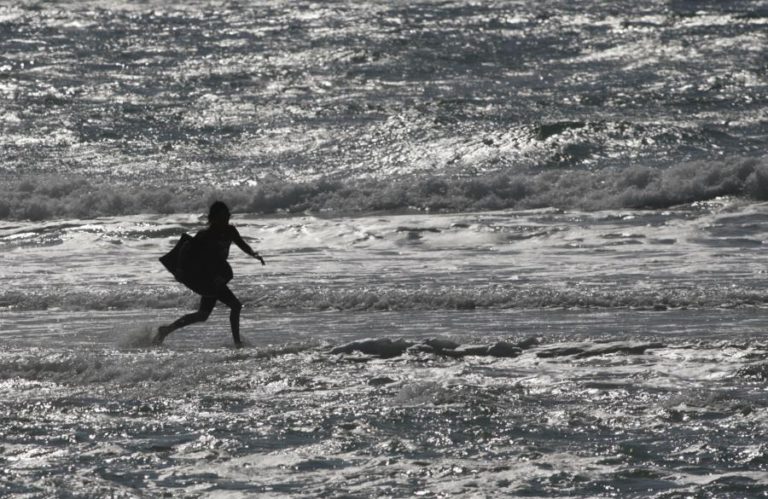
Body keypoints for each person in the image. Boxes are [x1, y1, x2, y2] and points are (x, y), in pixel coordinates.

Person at [155, 201, 265, 348]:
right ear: (213, 218)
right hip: (208, 277)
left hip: (216, 276)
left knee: (202, 315)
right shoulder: (205, 235)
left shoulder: (230, 231)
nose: (225, 219)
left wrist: (254, 254)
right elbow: (185, 248)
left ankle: (166, 330)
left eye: (226, 216)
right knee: (235, 305)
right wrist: (180, 269)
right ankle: (237, 342)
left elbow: (241, 244)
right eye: (221, 217)